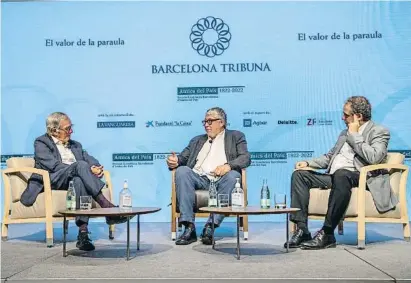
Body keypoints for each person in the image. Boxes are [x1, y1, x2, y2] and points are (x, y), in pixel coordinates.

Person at [285, 96, 398, 250]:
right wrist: (308, 163)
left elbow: (375, 158)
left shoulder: (379, 131)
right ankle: (303, 230)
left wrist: (355, 136)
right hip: (338, 177)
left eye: (346, 115)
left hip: (363, 177)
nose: (342, 117)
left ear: (358, 116)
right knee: (300, 175)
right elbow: (330, 157)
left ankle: (327, 233)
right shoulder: (343, 133)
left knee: (342, 173)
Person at [21, 112, 128, 251]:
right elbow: (53, 166)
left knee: (79, 179)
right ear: (54, 130)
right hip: (53, 178)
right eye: (67, 128)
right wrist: (80, 168)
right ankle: (107, 207)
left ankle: (83, 234)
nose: (71, 131)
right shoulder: (41, 142)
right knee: (80, 166)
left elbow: (89, 158)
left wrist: (95, 167)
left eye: (71, 127)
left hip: (73, 179)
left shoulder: (75, 145)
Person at [166, 107, 251, 245]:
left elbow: (246, 158)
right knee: (182, 171)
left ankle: (210, 226)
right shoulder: (197, 140)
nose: (206, 124)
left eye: (210, 121)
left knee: (233, 175)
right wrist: (174, 161)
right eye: (205, 121)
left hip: (222, 180)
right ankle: (189, 228)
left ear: (221, 122)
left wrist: (228, 166)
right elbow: (182, 158)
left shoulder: (236, 136)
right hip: (199, 179)